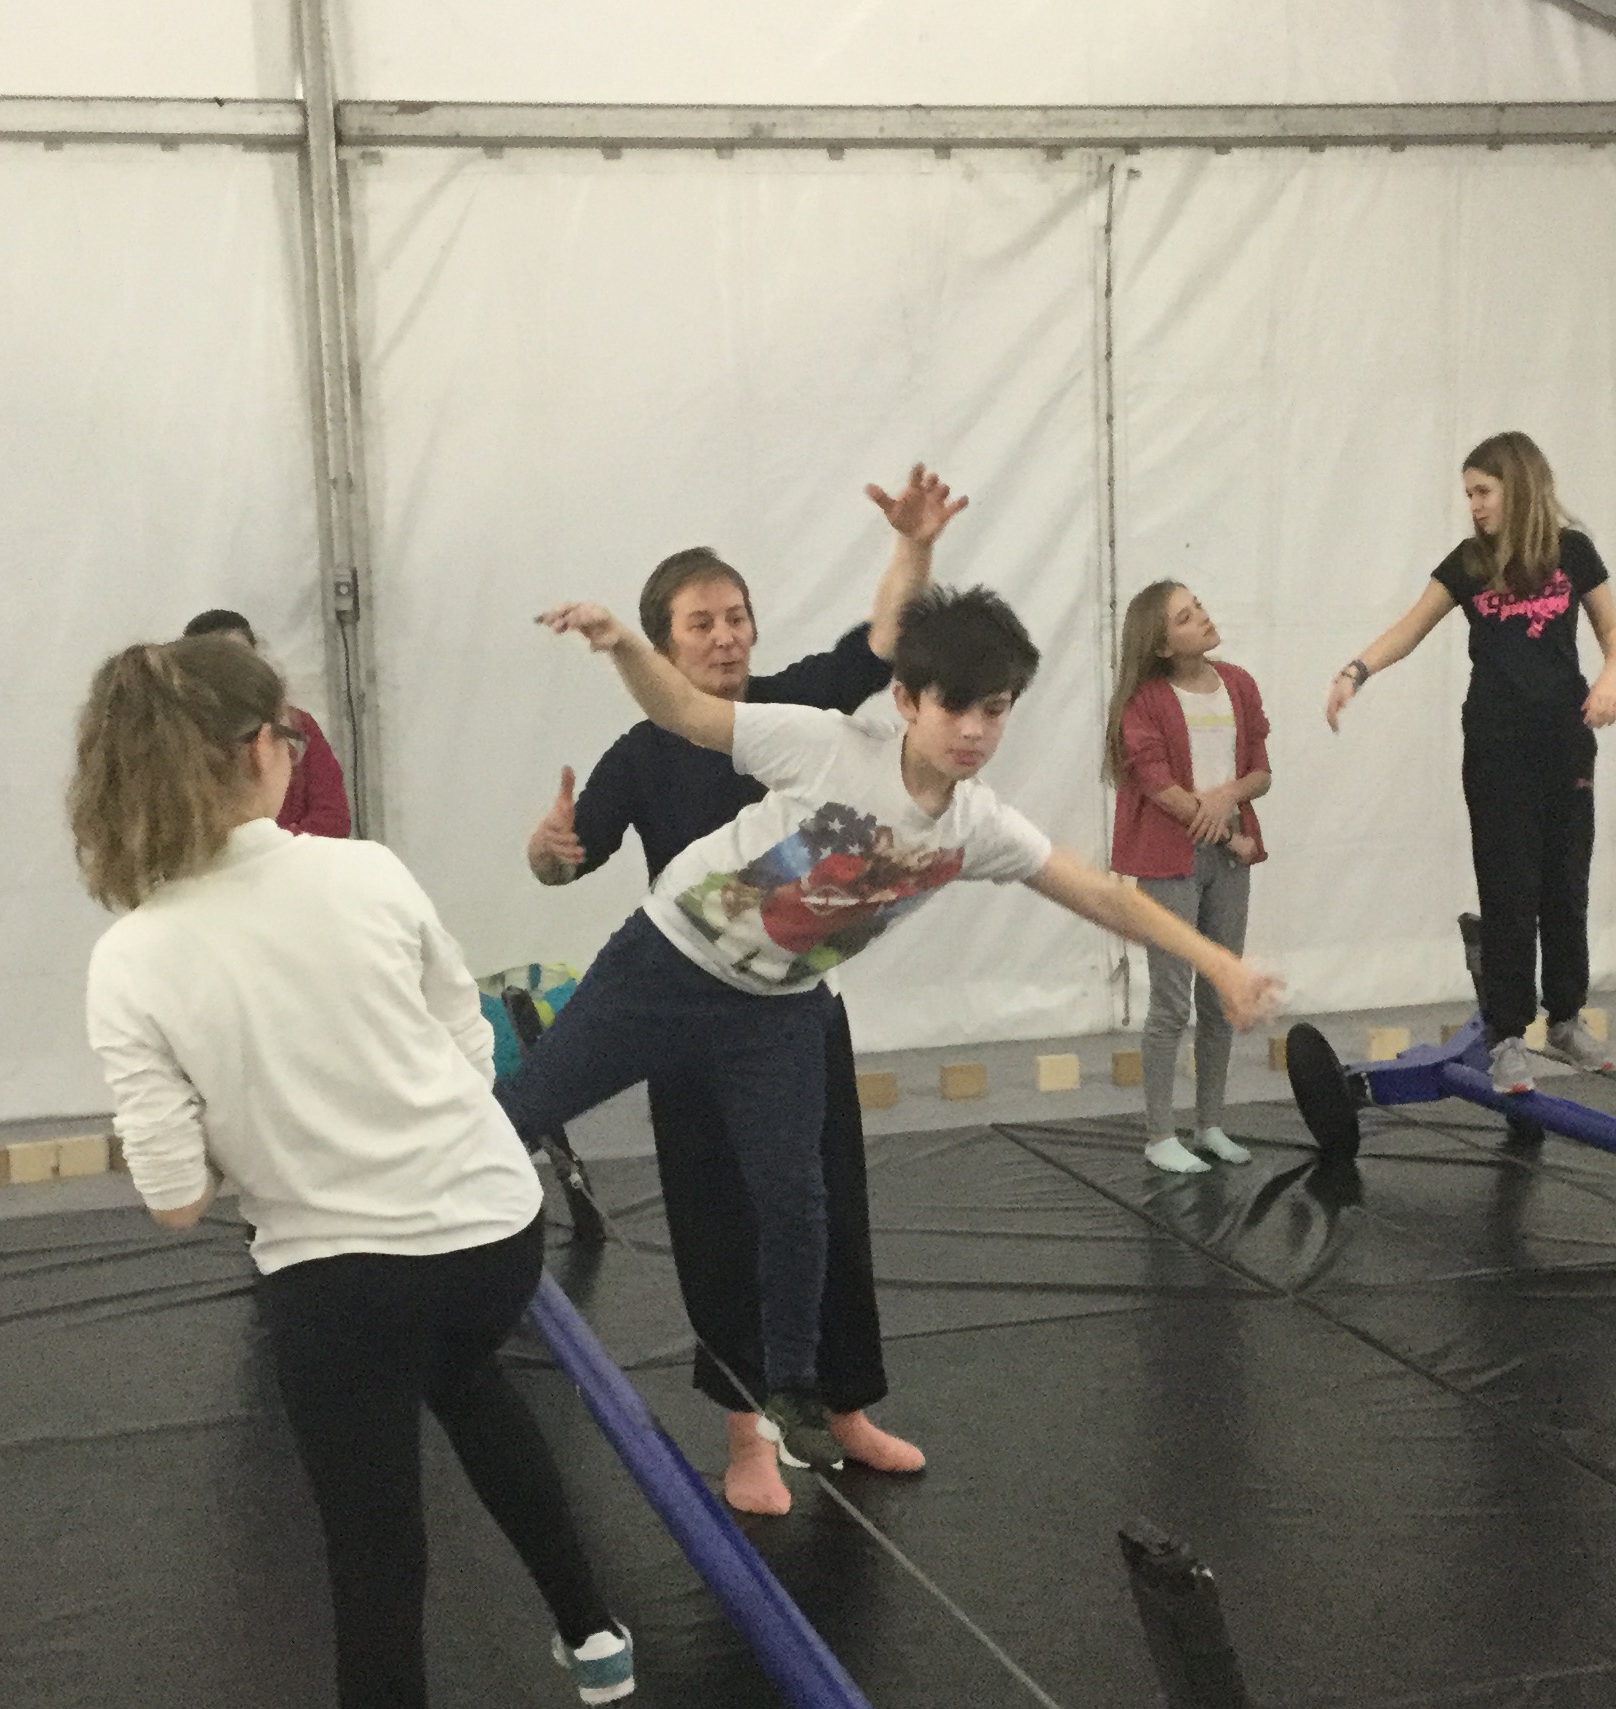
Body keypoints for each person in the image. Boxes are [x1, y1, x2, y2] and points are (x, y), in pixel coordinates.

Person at [73, 637, 628, 1709]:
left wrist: (260, 1126)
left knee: (378, 1571)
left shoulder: (131, 957)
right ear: (263, 751)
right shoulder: (366, 870)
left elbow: (174, 1199)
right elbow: (471, 1046)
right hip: (494, 1231)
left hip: (344, 1282)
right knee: (470, 1379)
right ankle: (596, 1638)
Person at [510, 573, 1282, 1474]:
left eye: (995, 711)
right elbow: (685, 713)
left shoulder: (978, 827)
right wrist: (620, 644)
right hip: (669, 963)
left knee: (798, 1200)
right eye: (955, 708)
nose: (974, 732)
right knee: (526, 1109)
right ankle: (415, 1224)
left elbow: (1104, 895)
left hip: (777, 1009)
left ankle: (792, 1391)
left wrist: (1220, 963)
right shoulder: (828, 748)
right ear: (908, 701)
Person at [522, 474, 957, 1515]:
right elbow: (566, 865)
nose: (724, 637)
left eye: (736, 617)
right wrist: (547, 851)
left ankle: (843, 1406)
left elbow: (884, 640)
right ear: (664, 645)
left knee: (826, 1204)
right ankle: (745, 1435)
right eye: (700, 624)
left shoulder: (794, 704)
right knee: (721, 1220)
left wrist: (913, 546)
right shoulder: (642, 754)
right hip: (688, 1021)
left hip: (798, 1008)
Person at [1324, 431, 1616, 1094]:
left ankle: (1566, 1016)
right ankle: (1508, 1034)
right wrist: (1356, 671)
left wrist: (1614, 675)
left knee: (1565, 881)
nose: (1475, 505)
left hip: (1564, 739)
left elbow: (1613, 630)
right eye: (1468, 494)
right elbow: (1410, 628)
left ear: (1518, 487)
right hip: (1496, 743)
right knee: (1509, 885)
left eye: (1483, 492)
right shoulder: (1468, 562)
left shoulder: (1572, 552)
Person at [1108, 580, 1271, 1174]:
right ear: (1160, 644)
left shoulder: (1239, 684)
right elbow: (1160, 788)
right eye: (1184, 617)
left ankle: (1210, 1124)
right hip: (1169, 864)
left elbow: (1260, 773)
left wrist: (1227, 797)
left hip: (1228, 863)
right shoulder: (1145, 701)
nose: (1202, 617)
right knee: (1171, 1002)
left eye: (1197, 605)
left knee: (1221, 994)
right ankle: (1160, 1134)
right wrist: (1226, 832)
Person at [183, 608, 352, 837]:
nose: (231, 671)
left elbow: (333, 818)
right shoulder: (176, 736)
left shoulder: (296, 725)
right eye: (215, 661)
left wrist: (274, 847)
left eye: (241, 658)